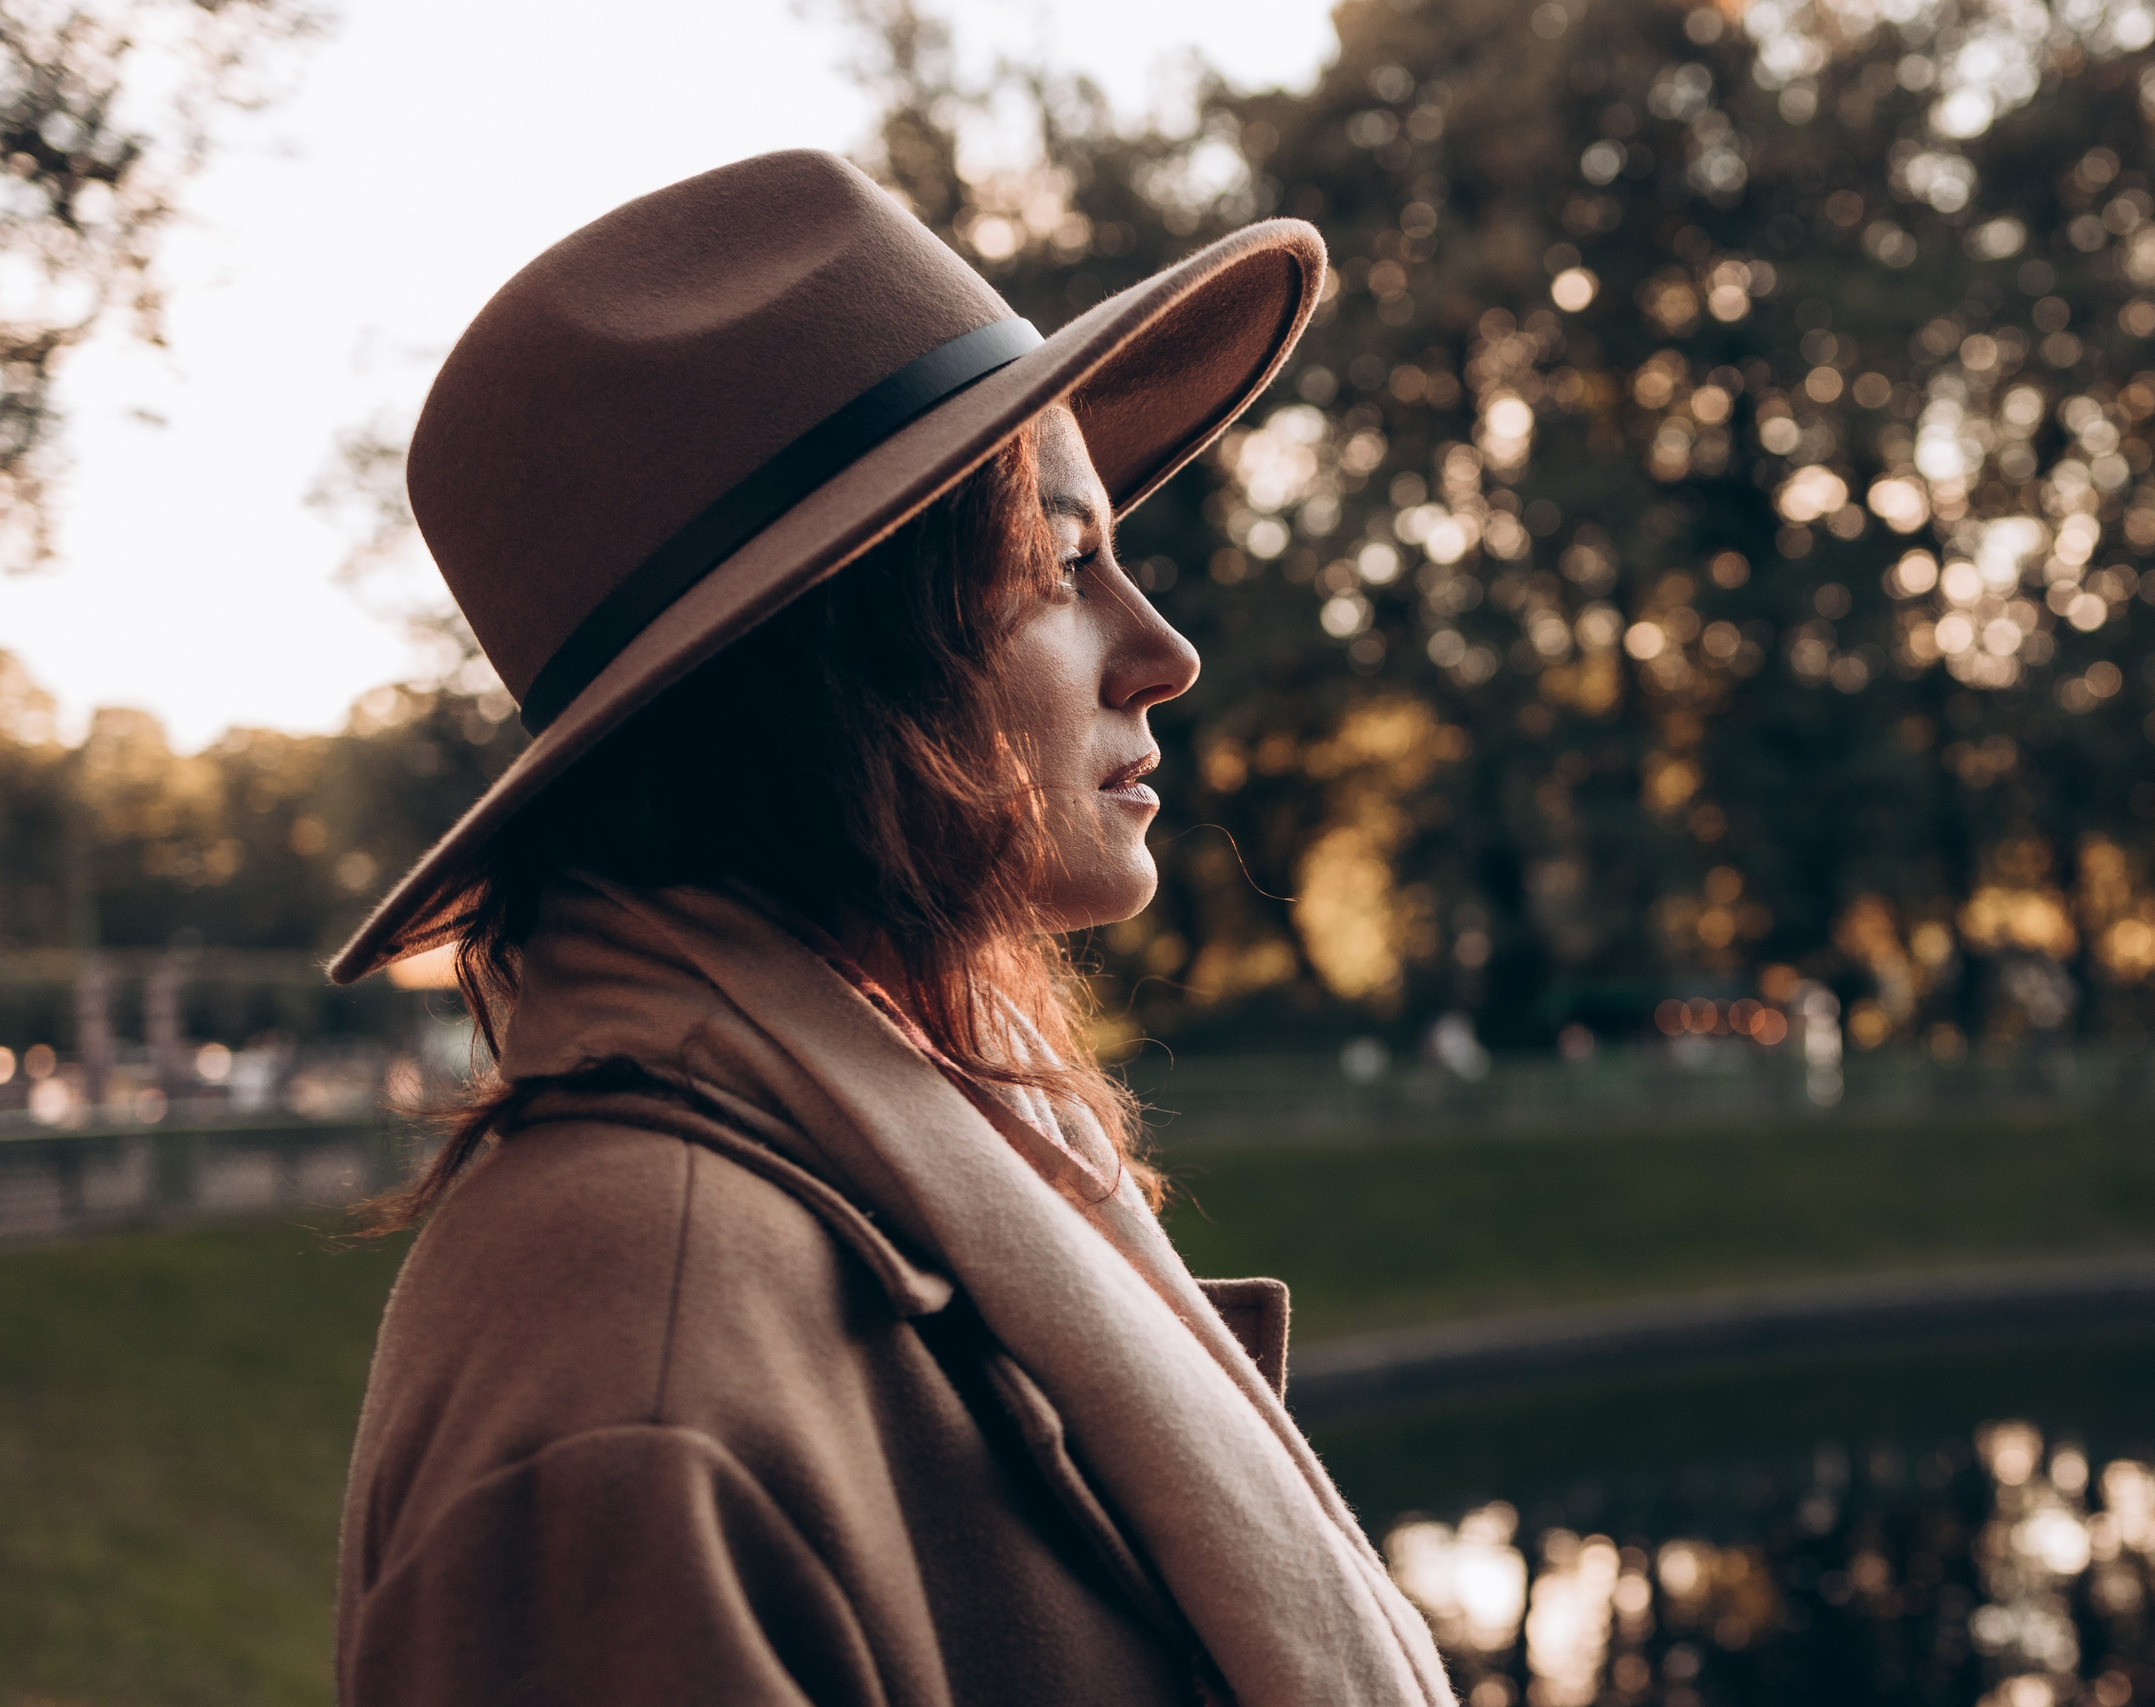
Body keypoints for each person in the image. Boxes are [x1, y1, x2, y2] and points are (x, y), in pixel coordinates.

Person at [326, 150, 1455, 1707]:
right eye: (1063, 566)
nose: (1164, 651)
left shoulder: (918, 1168)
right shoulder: (637, 1363)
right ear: (840, 673)